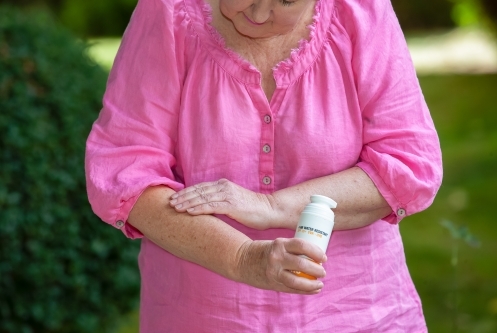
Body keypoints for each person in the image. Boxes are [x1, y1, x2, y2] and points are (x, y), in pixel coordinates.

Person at [85, 0, 442, 331]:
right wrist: (242, 258)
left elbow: (409, 164)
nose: (257, 13)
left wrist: (270, 206)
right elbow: (125, 174)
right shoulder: (168, 11)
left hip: (362, 312)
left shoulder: (362, 11)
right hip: (204, 315)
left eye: (285, 0)